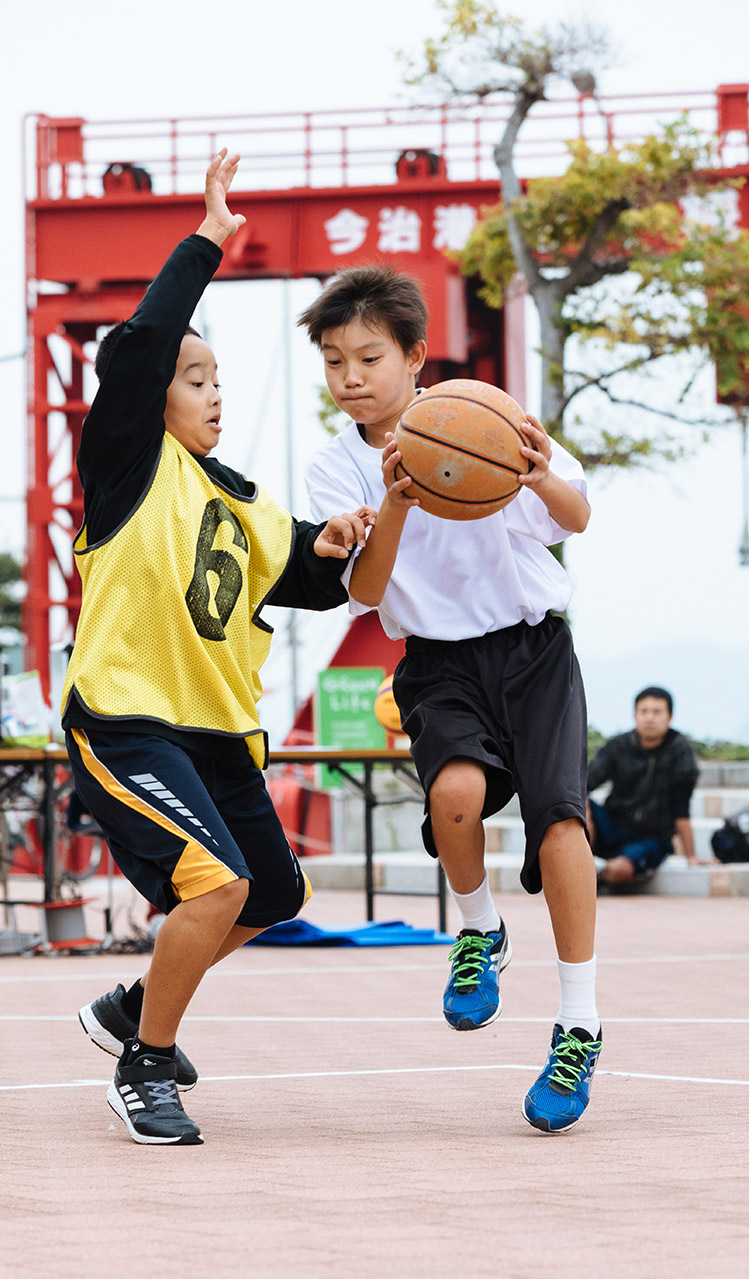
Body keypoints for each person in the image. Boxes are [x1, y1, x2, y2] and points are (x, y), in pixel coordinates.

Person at [63, 151, 372, 1146]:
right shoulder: (128, 464)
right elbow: (141, 346)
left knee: (275, 891)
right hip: (127, 718)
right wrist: (205, 241)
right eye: (192, 378)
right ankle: (145, 1065)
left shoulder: (245, 502)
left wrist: (339, 542)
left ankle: (131, 1007)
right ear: (150, 393)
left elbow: (314, 577)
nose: (212, 392)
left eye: (217, 379)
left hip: (218, 735)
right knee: (217, 882)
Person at [300, 265, 601, 1133]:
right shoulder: (334, 467)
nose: (350, 377)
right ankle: (479, 929)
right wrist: (394, 500)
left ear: (415, 356)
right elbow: (364, 591)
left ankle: (578, 1022)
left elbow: (575, 516)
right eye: (333, 361)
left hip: (533, 649)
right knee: (456, 795)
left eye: (367, 357)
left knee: (561, 826)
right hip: (435, 660)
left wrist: (537, 477)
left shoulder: (483, 418)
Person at [587, 686, 700, 889]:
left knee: (619, 870)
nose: (649, 718)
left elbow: (682, 808)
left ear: (669, 717)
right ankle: (578, 866)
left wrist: (691, 856)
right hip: (612, 826)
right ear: (635, 715)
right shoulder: (618, 745)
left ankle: (596, 879)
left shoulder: (680, 750)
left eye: (657, 712)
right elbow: (586, 782)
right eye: (644, 711)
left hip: (651, 839)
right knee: (578, 801)